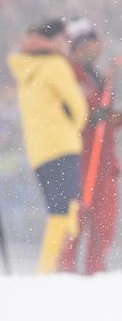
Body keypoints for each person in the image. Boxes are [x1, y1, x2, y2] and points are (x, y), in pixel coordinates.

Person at [60, 18, 122, 274]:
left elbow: (104, 122)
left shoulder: (96, 76)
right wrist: (91, 117)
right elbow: (72, 115)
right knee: (74, 223)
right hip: (80, 161)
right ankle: (65, 274)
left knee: (103, 224)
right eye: (87, 44)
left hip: (104, 163)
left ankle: (94, 273)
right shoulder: (68, 73)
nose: (94, 49)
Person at [6, 19, 88, 273]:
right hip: (62, 145)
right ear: (53, 41)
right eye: (65, 39)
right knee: (67, 210)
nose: (67, 45)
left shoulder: (25, 67)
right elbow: (79, 107)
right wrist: (72, 125)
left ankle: (49, 266)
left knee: (57, 209)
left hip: (38, 150)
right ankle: (51, 268)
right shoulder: (55, 65)